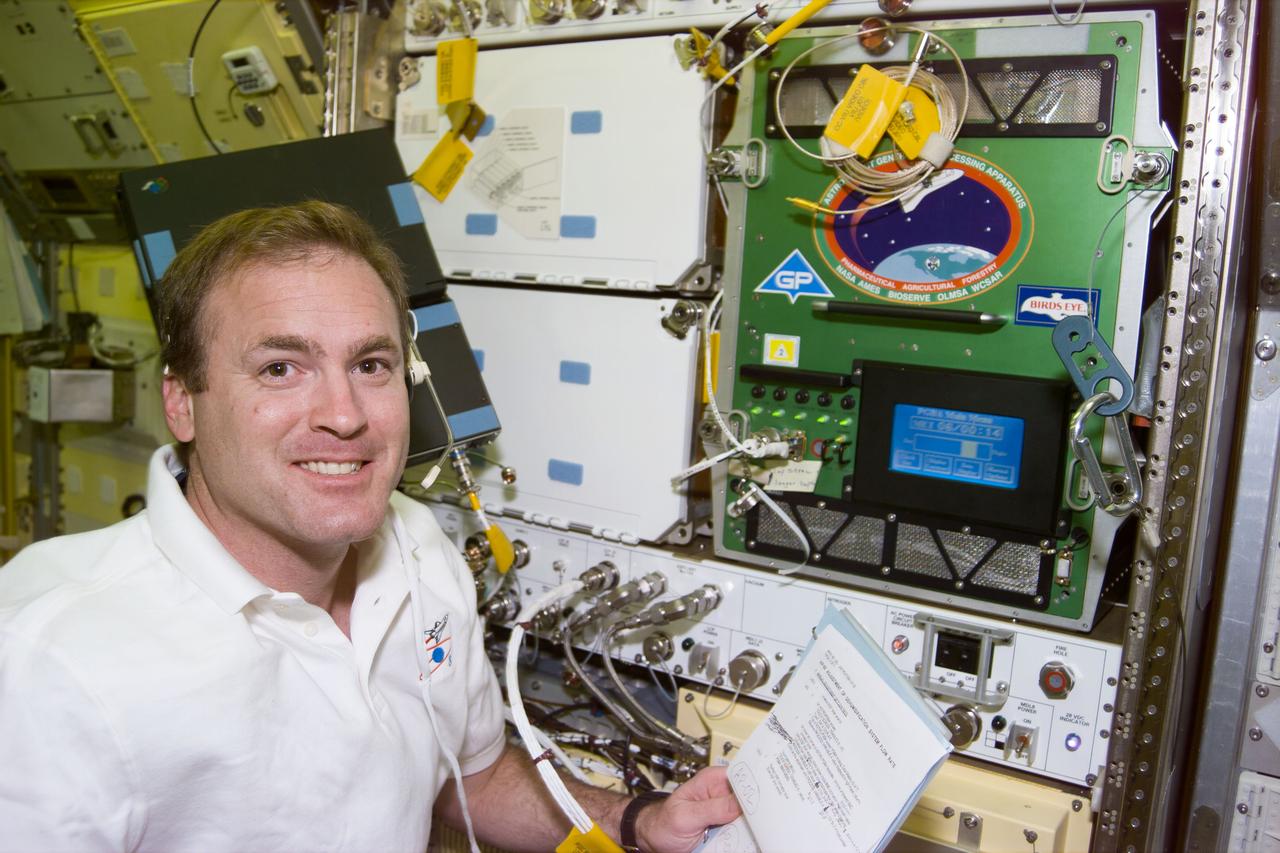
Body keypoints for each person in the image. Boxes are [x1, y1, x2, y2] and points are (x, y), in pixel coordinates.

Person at [0, 201, 741, 851]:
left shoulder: (416, 545)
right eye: (281, 368)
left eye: (371, 365)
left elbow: (472, 777)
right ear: (182, 402)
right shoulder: (51, 664)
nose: (346, 415)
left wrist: (636, 820)